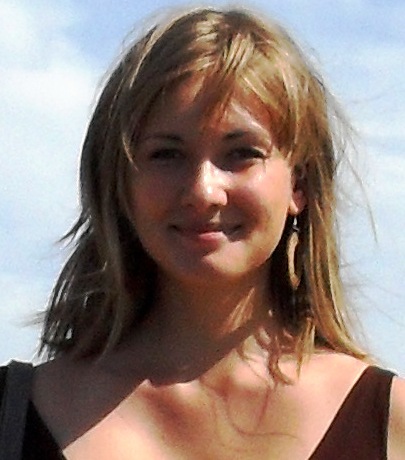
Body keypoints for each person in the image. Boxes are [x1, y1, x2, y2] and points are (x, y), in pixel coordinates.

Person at [1, 6, 404, 459]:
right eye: (166, 154)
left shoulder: (389, 422)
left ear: (300, 183)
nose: (203, 191)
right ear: (119, 183)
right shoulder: (14, 415)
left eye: (241, 153)